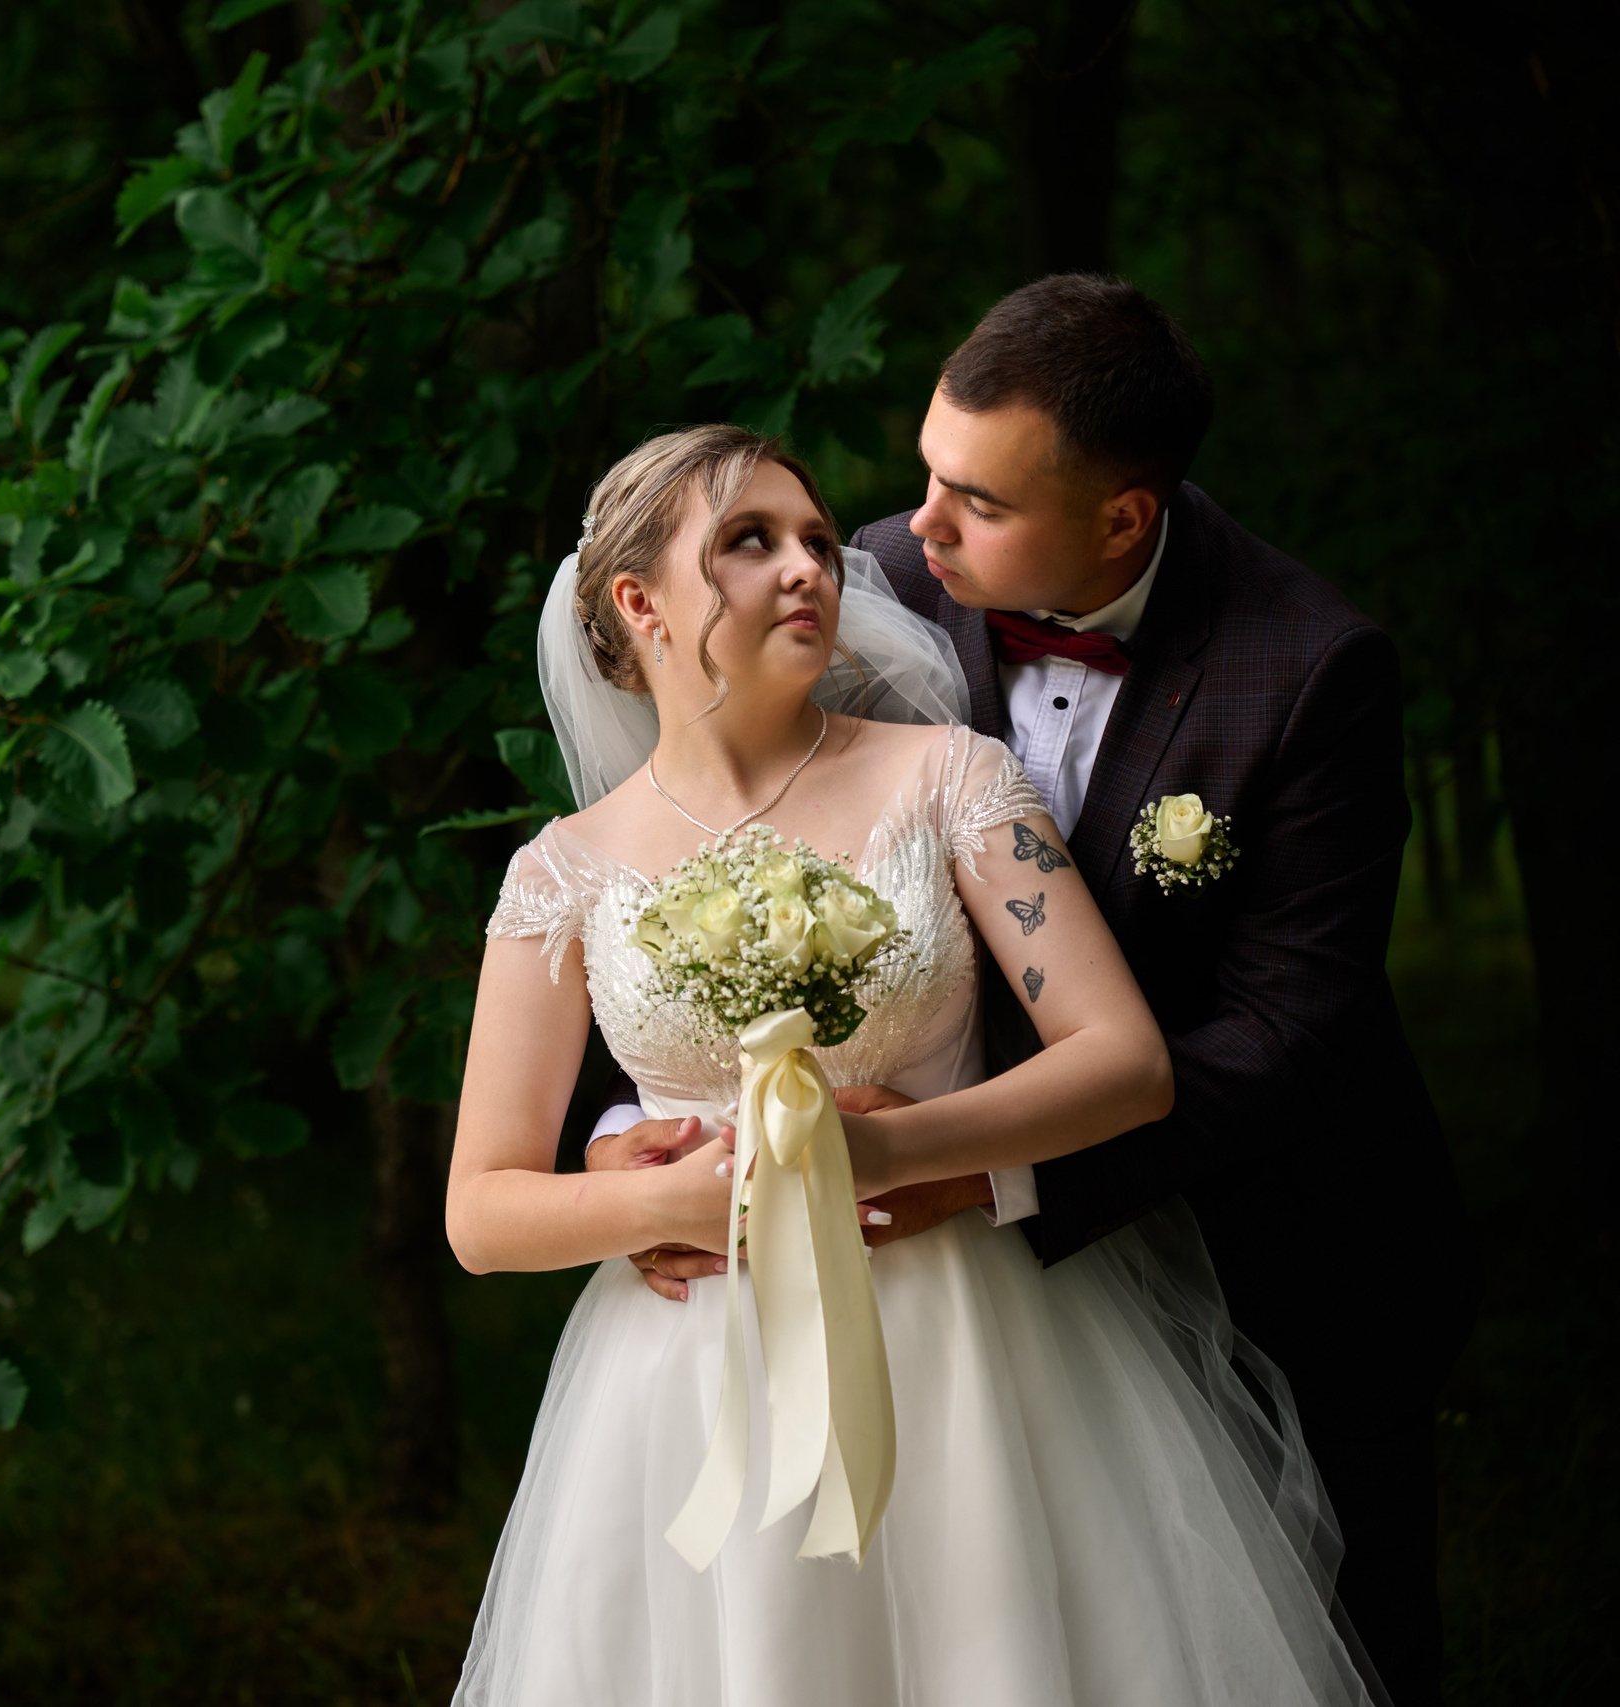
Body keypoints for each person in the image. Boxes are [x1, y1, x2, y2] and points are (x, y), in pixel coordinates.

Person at [588, 277, 1467, 1705]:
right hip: (931, 1283)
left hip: (1274, 1240)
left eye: (975, 504)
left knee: (1318, 1651)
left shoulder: (1308, 671)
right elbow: (707, 859)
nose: (913, 533)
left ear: (1122, 519)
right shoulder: (866, 582)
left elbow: (1285, 1037)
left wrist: (978, 1172)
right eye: (926, 473)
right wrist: (650, 1130)